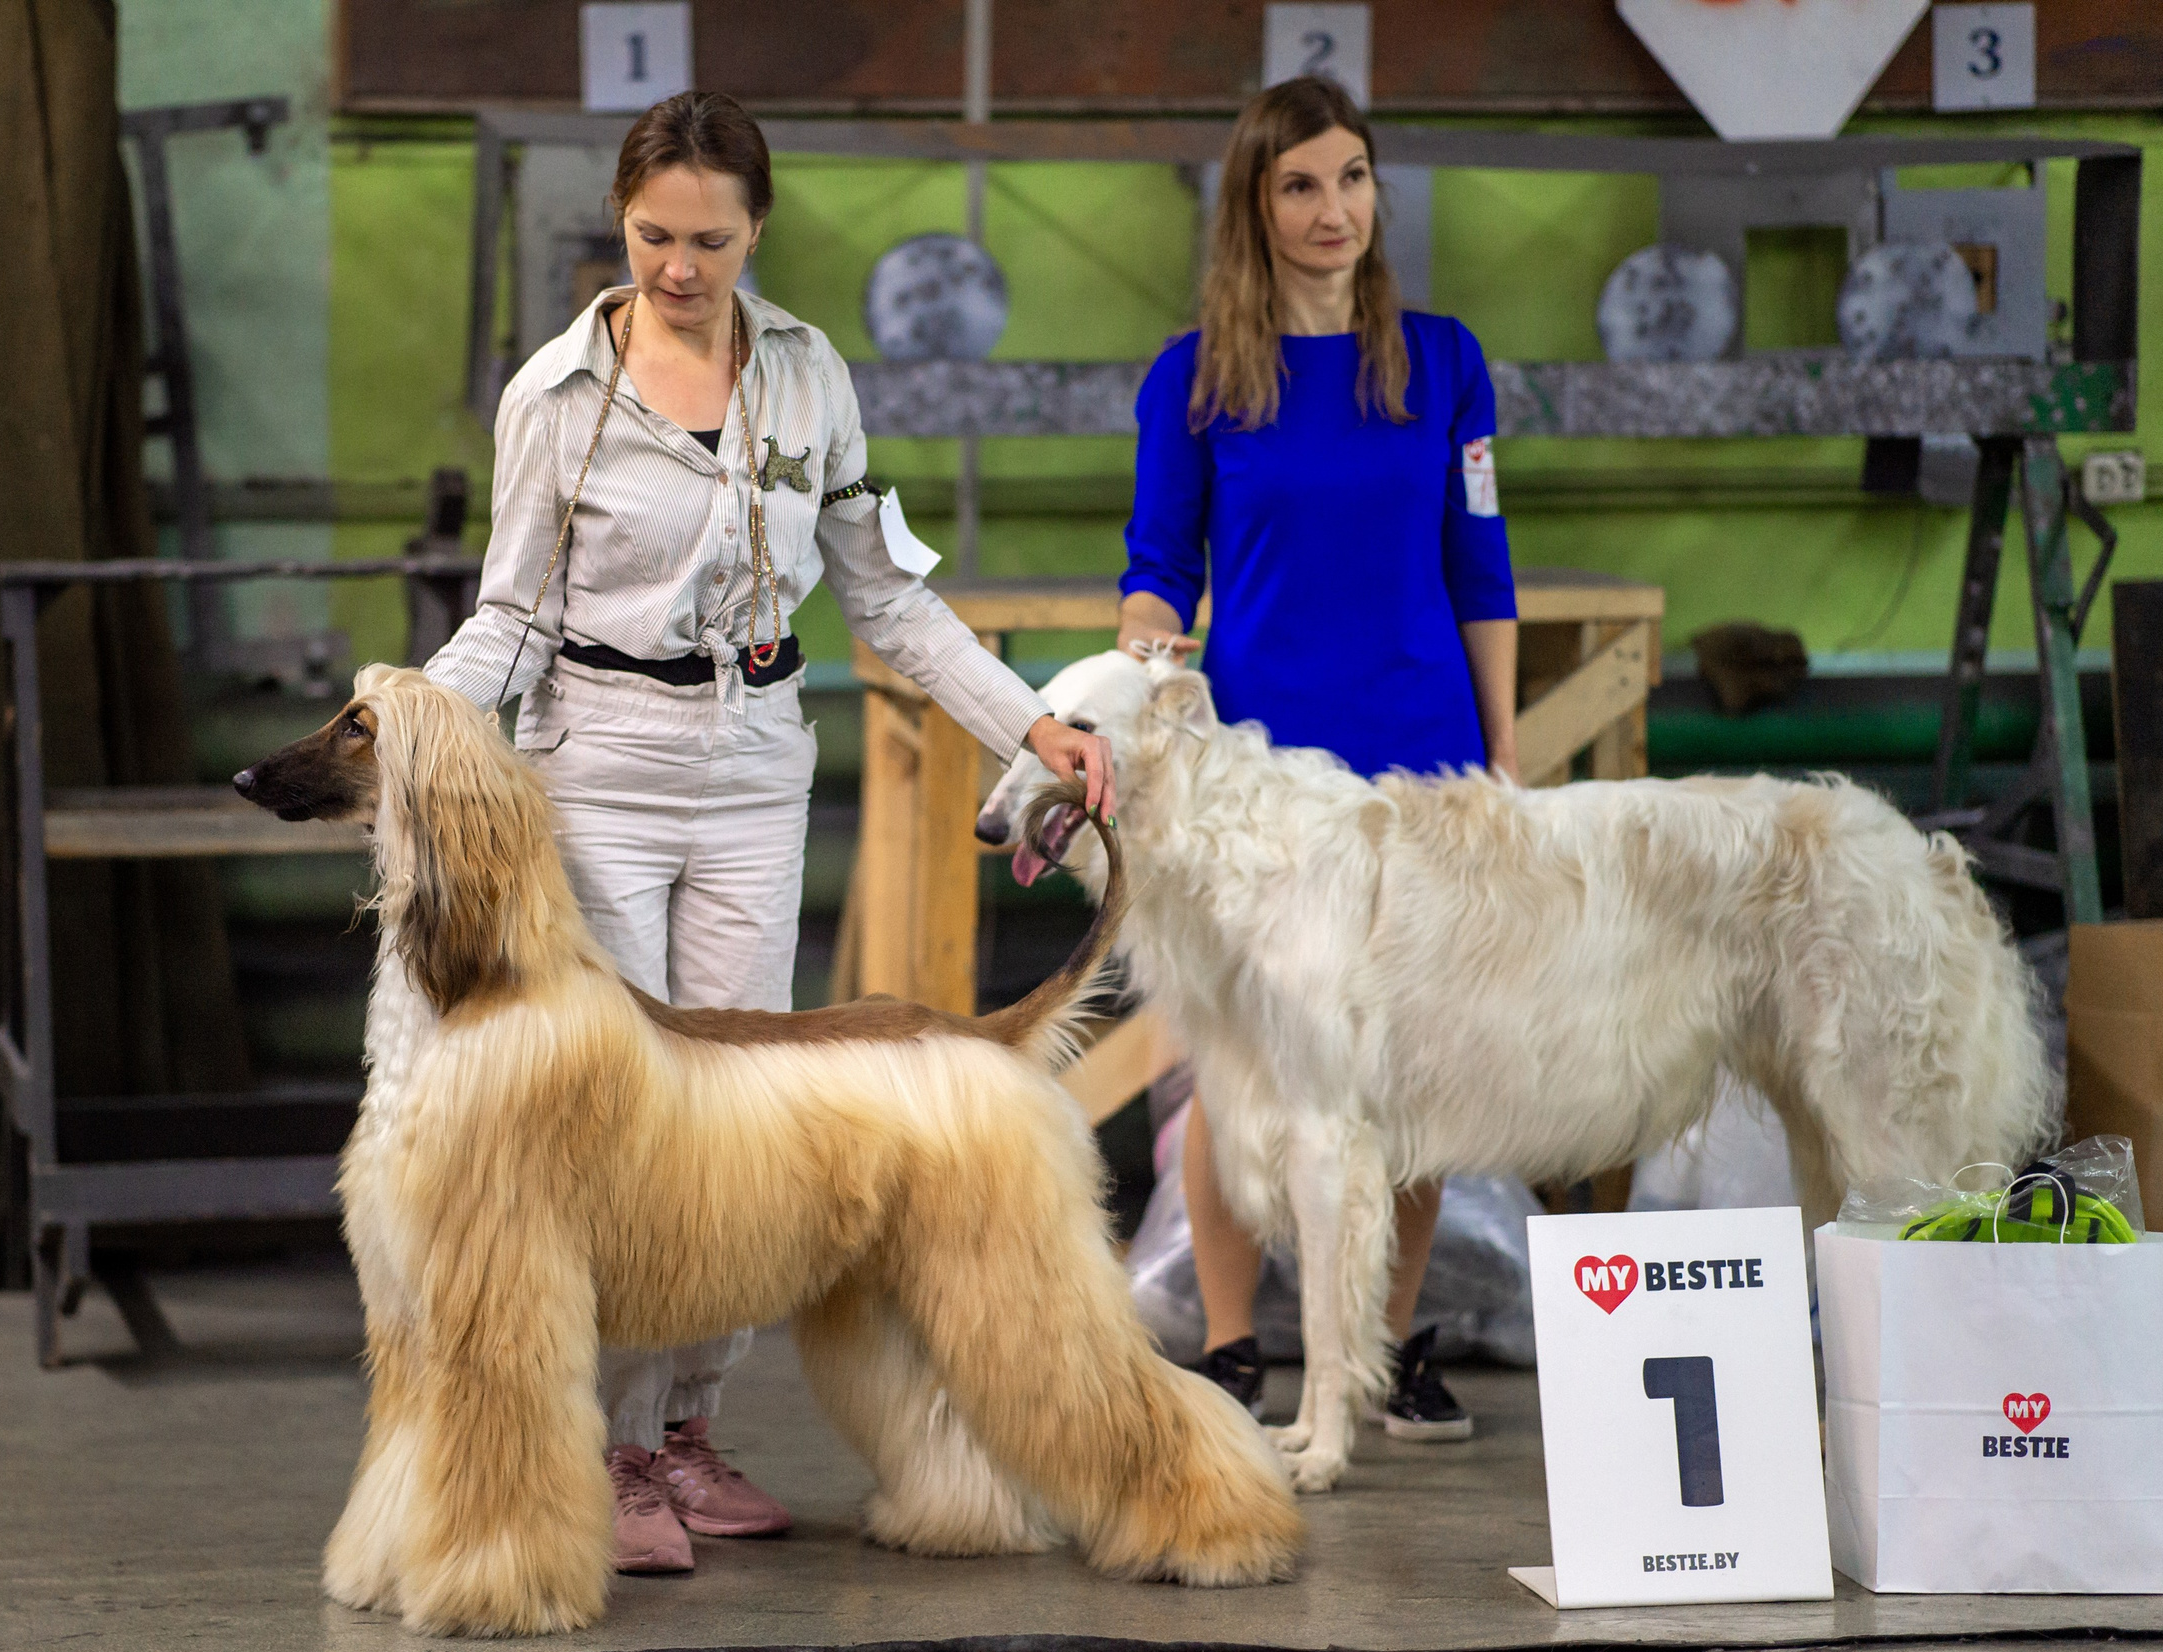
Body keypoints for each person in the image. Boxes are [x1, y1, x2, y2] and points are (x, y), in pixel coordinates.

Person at [424, 91, 1116, 1575]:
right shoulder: (554, 395)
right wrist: (411, 731)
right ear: (622, 224)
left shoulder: (809, 375)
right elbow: (509, 618)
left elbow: (888, 603)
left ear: (758, 231)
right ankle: (609, 1455)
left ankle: (686, 1432)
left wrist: (1036, 726)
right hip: (595, 767)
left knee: (744, 1136)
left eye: (711, 241)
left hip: (753, 767)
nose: (679, 268)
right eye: (653, 238)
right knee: (617, 1133)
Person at [1116, 75, 1517, 1443]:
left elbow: (1481, 569)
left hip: (1421, 768)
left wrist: (1501, 752)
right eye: (1299, 185)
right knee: (1238, 1074)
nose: (1331, 208)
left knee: (1410, 1077)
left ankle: (1382, 1352)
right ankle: (1233, 1348)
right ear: (1256, 204)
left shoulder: (1444, 363)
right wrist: (1145, 658)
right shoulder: (1195, 379)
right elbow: (1160, 568)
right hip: (1261, 778)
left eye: (1351, 178)